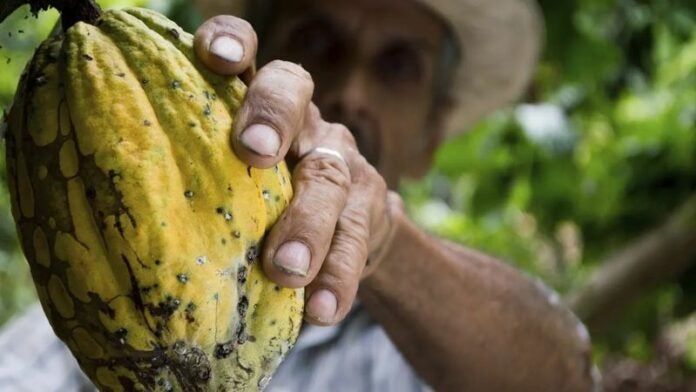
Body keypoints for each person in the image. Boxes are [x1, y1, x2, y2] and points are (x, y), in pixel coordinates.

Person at [0, 0, 600, 391]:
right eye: (317, 38)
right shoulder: (86, 315)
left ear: (430, 137)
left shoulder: (429, 348)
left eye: (397, 66)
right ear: (235, 72)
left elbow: (564, 376)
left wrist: (384, 244)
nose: (350, 92)